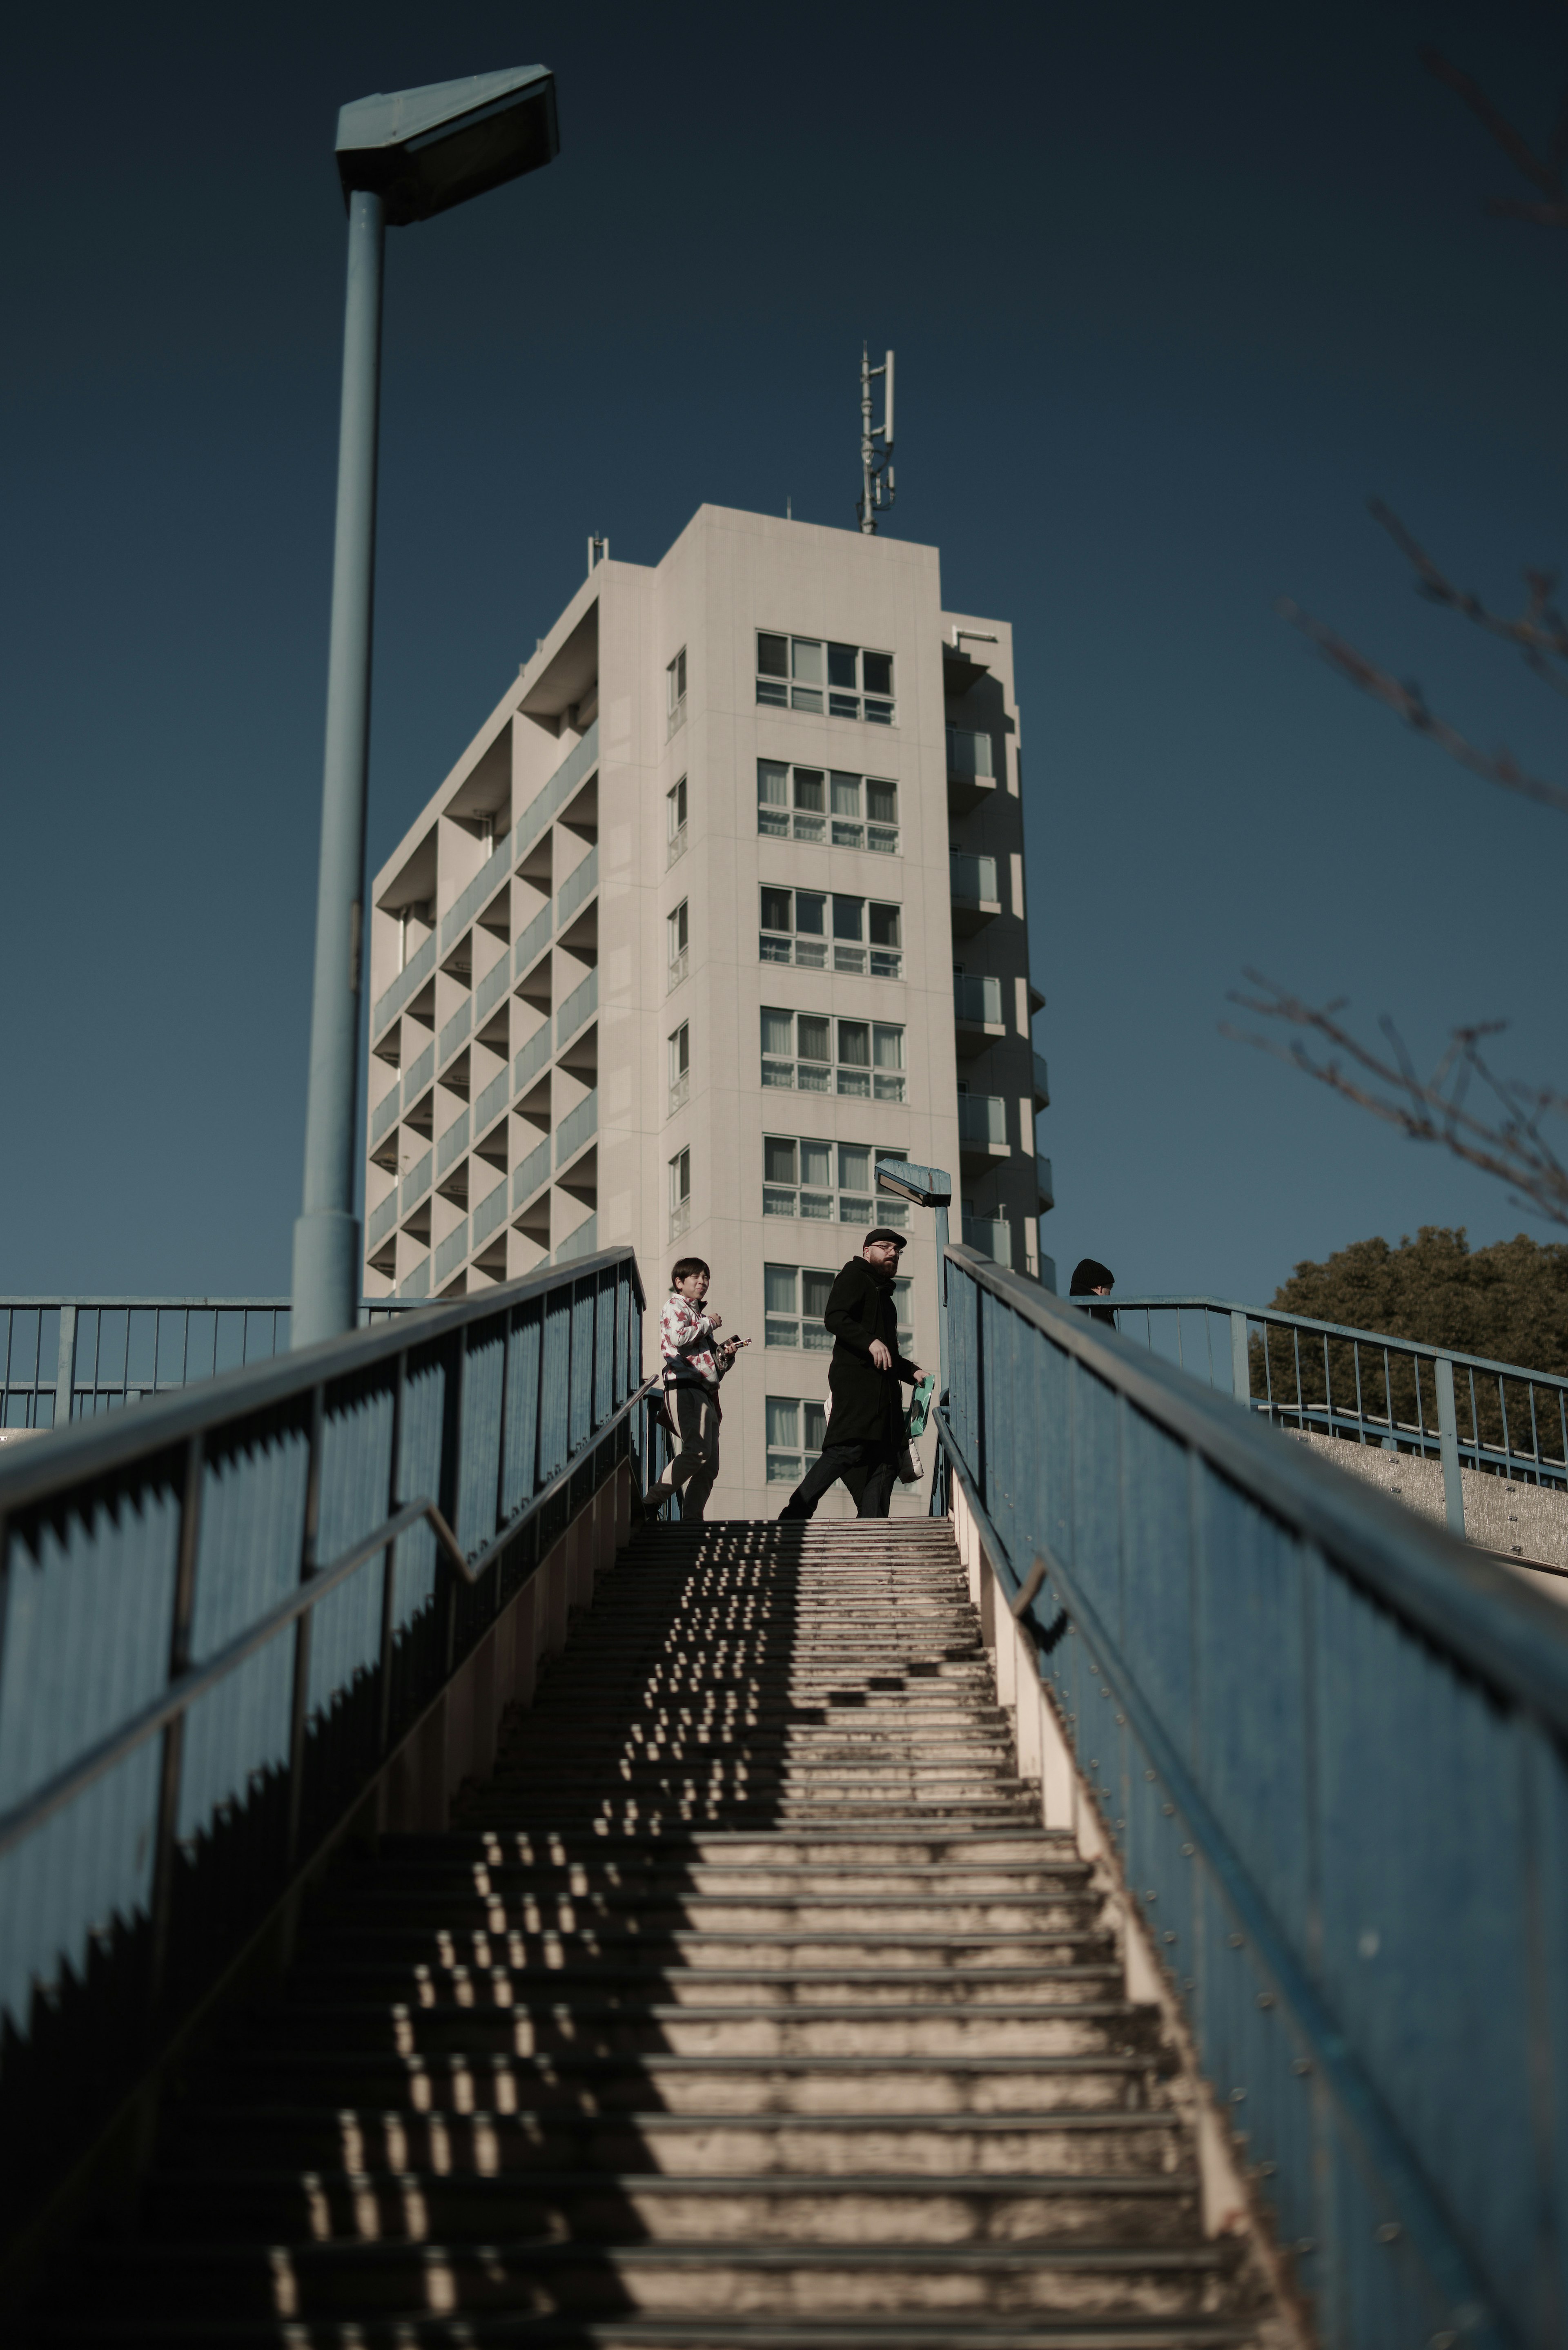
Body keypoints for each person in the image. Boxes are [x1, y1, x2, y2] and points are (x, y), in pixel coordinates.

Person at [779, 1229, 920, 1521]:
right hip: (859, 1388)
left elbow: (888, 1355)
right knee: (847, 1449)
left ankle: (872, 1532)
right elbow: (835, 1316)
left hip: (887, 1399)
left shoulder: (887, 1300)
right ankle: (795, 1515)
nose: (893, 1253)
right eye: (885, 1247)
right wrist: (868, 1341)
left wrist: (913, 1371)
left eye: (897, 1250)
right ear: (867, 1250)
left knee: (885, 1464)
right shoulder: (855, 1276)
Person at [644, 1257, 742, 1521]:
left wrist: (726, 1355)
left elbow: (711, 1366)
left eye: (706, 1278)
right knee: (697, 1451)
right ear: (679, 1282)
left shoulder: (697, 1315)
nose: (703, 1283)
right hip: (684, 1387)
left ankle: (692, 1521)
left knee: (709, 1466)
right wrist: (709, 1322)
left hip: (705, 1392)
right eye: (696, 1278)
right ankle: (651, 1502)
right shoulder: (675, 1305)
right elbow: (678, 1337)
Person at [1070, 1257, 1116, 1328]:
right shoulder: (1098, 1314)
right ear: (1100, 1288)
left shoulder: (1066, 1312)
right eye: (1110, 1288)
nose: (1110, 1294)